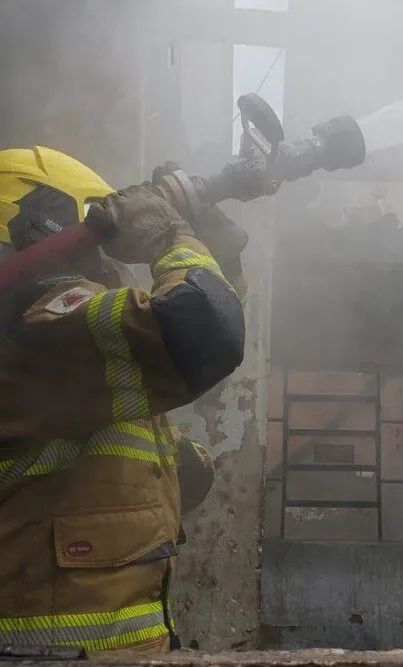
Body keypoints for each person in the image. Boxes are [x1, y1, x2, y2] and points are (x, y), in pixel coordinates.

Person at [0, 146, 247, 653]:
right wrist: (170, 238)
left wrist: (218, 257)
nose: (116, 260)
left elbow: (201, 322)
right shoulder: (36, 327)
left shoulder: (63, 345)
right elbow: (201, 329)